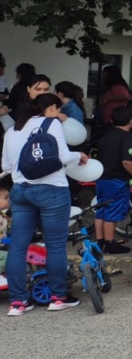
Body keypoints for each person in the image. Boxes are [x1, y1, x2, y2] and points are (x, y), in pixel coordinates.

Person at [2, 92, 90, 315]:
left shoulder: (13, 130)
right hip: (51, 190)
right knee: (55, 245)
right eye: (58, 109)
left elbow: (7, 165)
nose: (59, 114)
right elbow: (60, 156)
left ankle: (18, 303)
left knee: (18, 246)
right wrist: (78, 154)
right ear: (50, 107)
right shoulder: (51, 123)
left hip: (20, 191)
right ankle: (58, 297)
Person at [94, 107, 132, 254]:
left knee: (101, 210)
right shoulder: (127, 137)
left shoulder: (105, 136)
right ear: (131, 122)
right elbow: (127, 162)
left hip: (101, 178)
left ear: (112, 121)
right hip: (116, 180)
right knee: (113, 211)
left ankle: (100, 242)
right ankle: (110, 244)